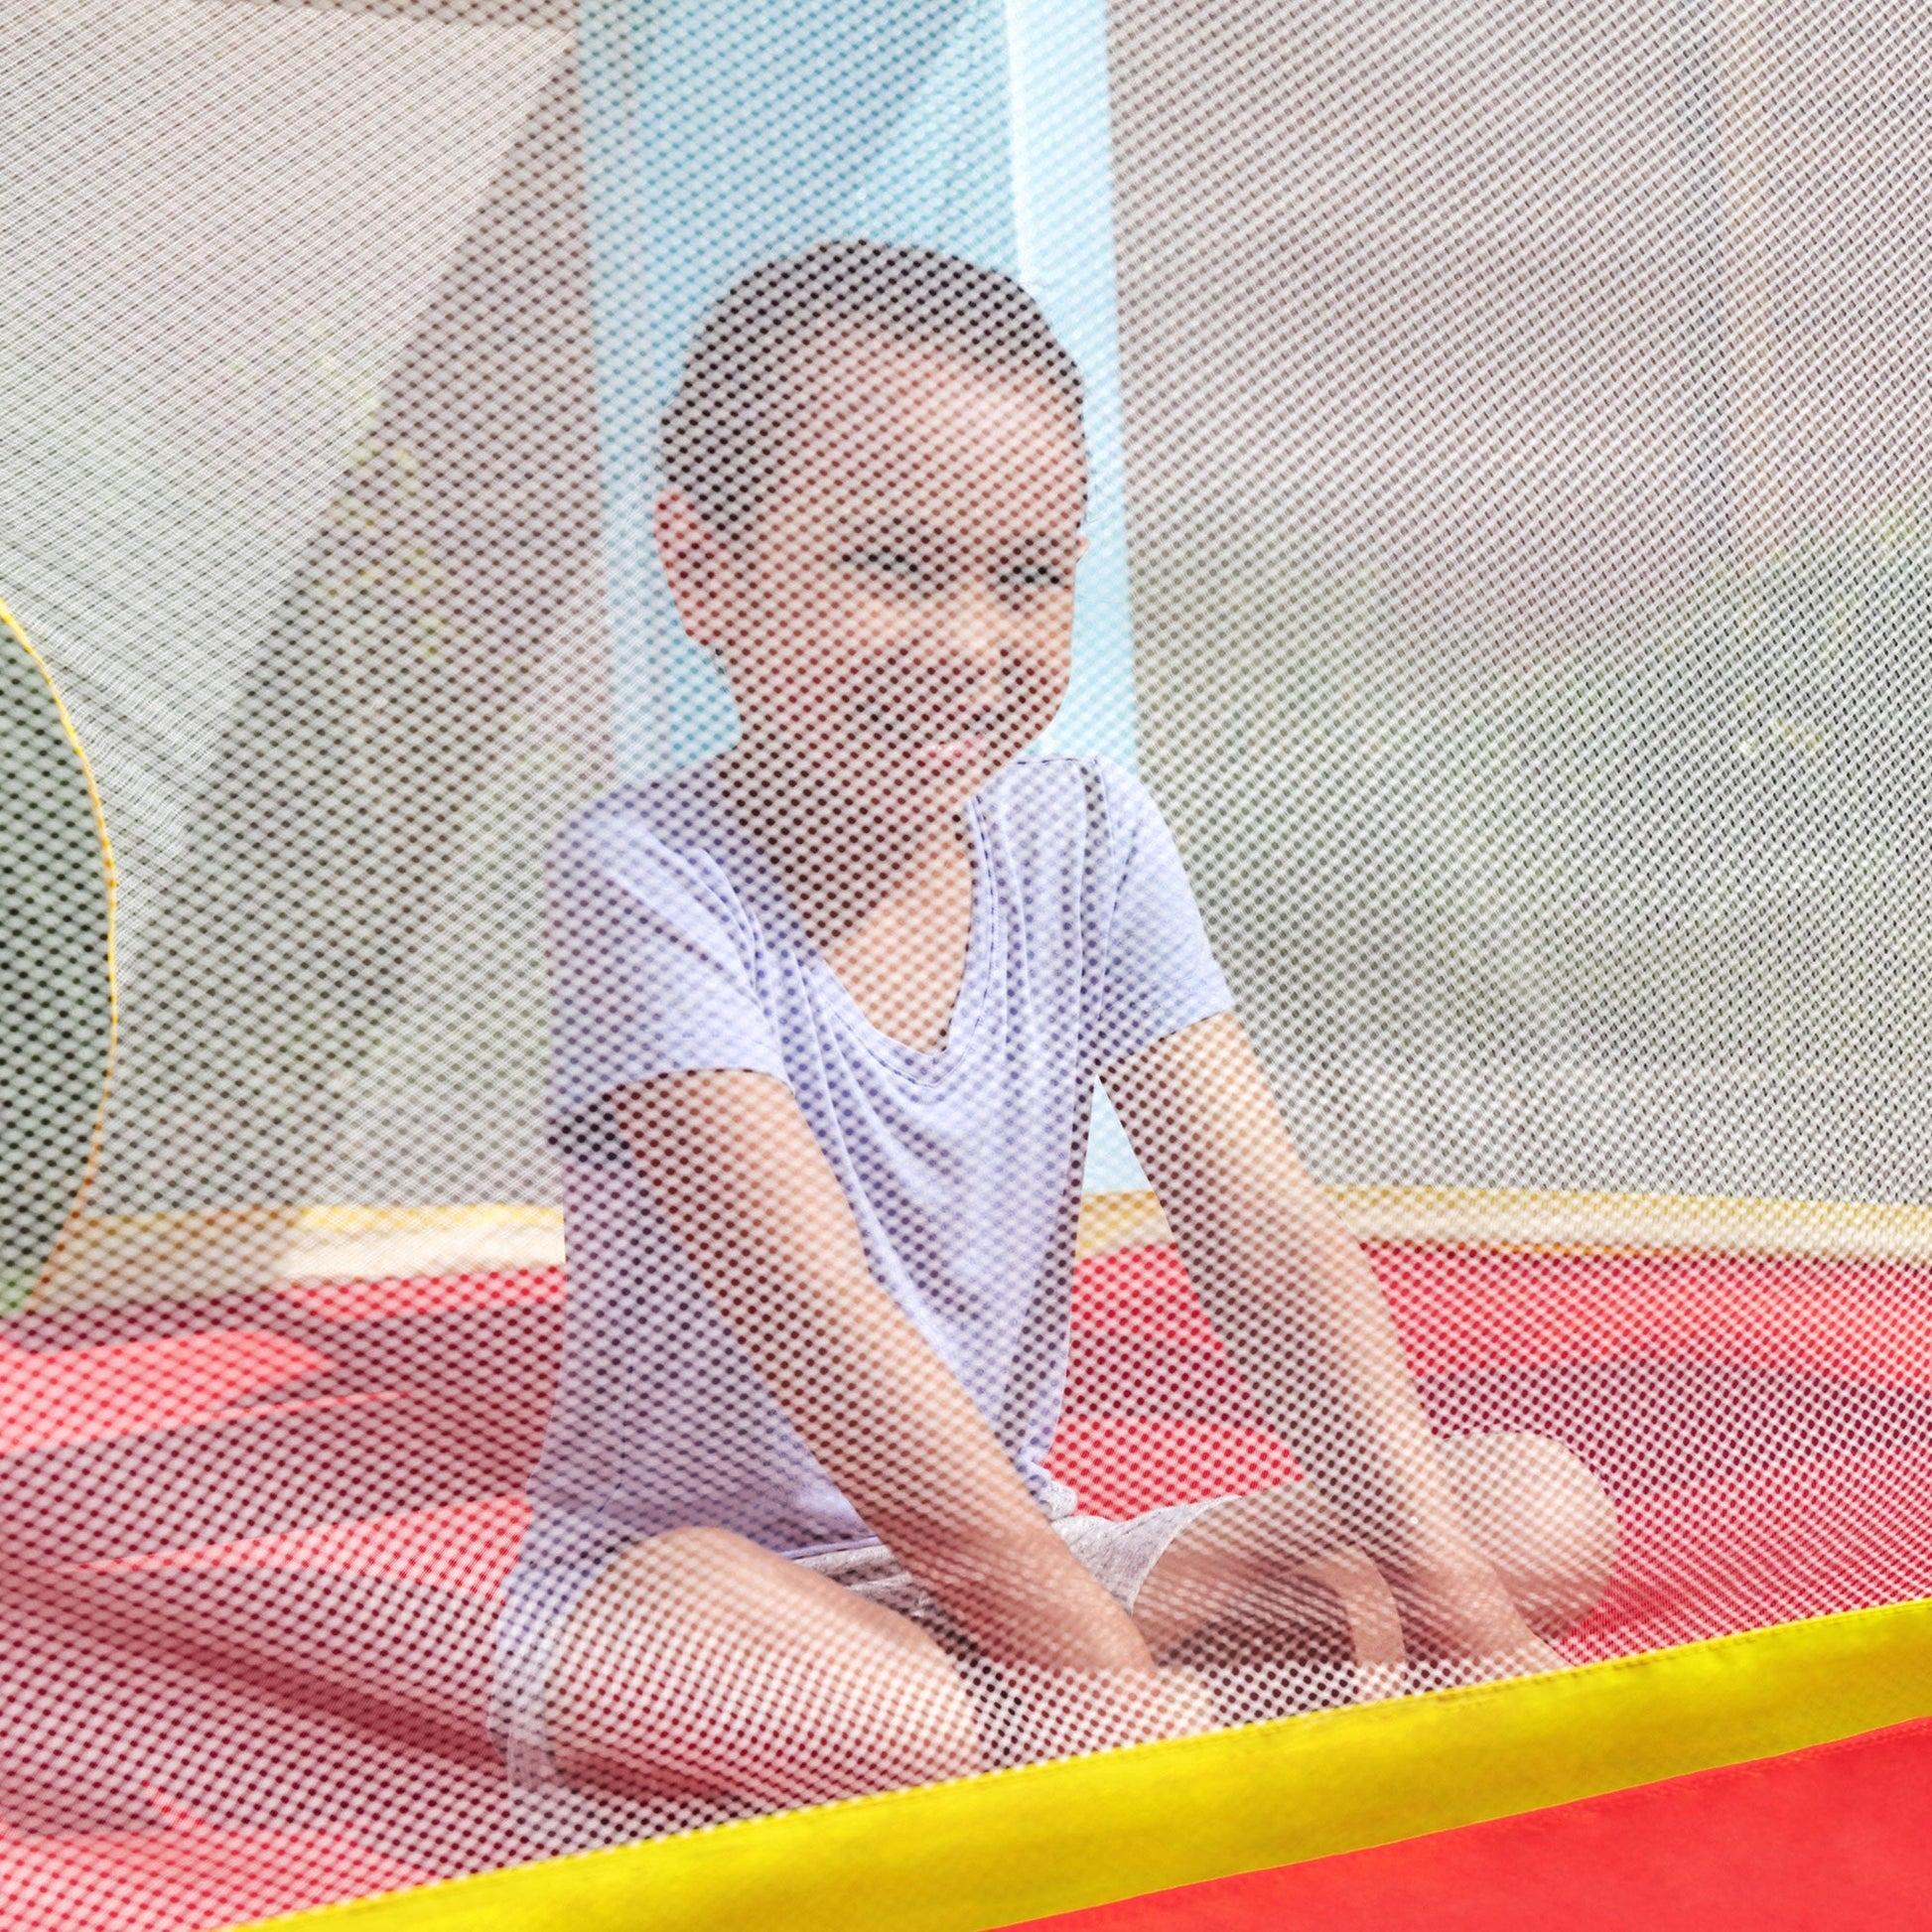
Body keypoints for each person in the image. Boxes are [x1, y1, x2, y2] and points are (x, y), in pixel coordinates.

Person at [493, 240, 1616, 1844]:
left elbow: (1260, 1224)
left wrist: (1459, 1615)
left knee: (1533, 1512)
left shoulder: (1084, 836)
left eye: (1027, 577)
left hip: (1012, 1551)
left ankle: (1088, 1714)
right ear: (704, 570)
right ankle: (1149, 1712)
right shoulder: (644, 876)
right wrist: (1095, 1675)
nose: (971, 640)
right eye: (892, 567)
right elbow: (812, 1307)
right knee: (735, 1652)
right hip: (708, 1582)